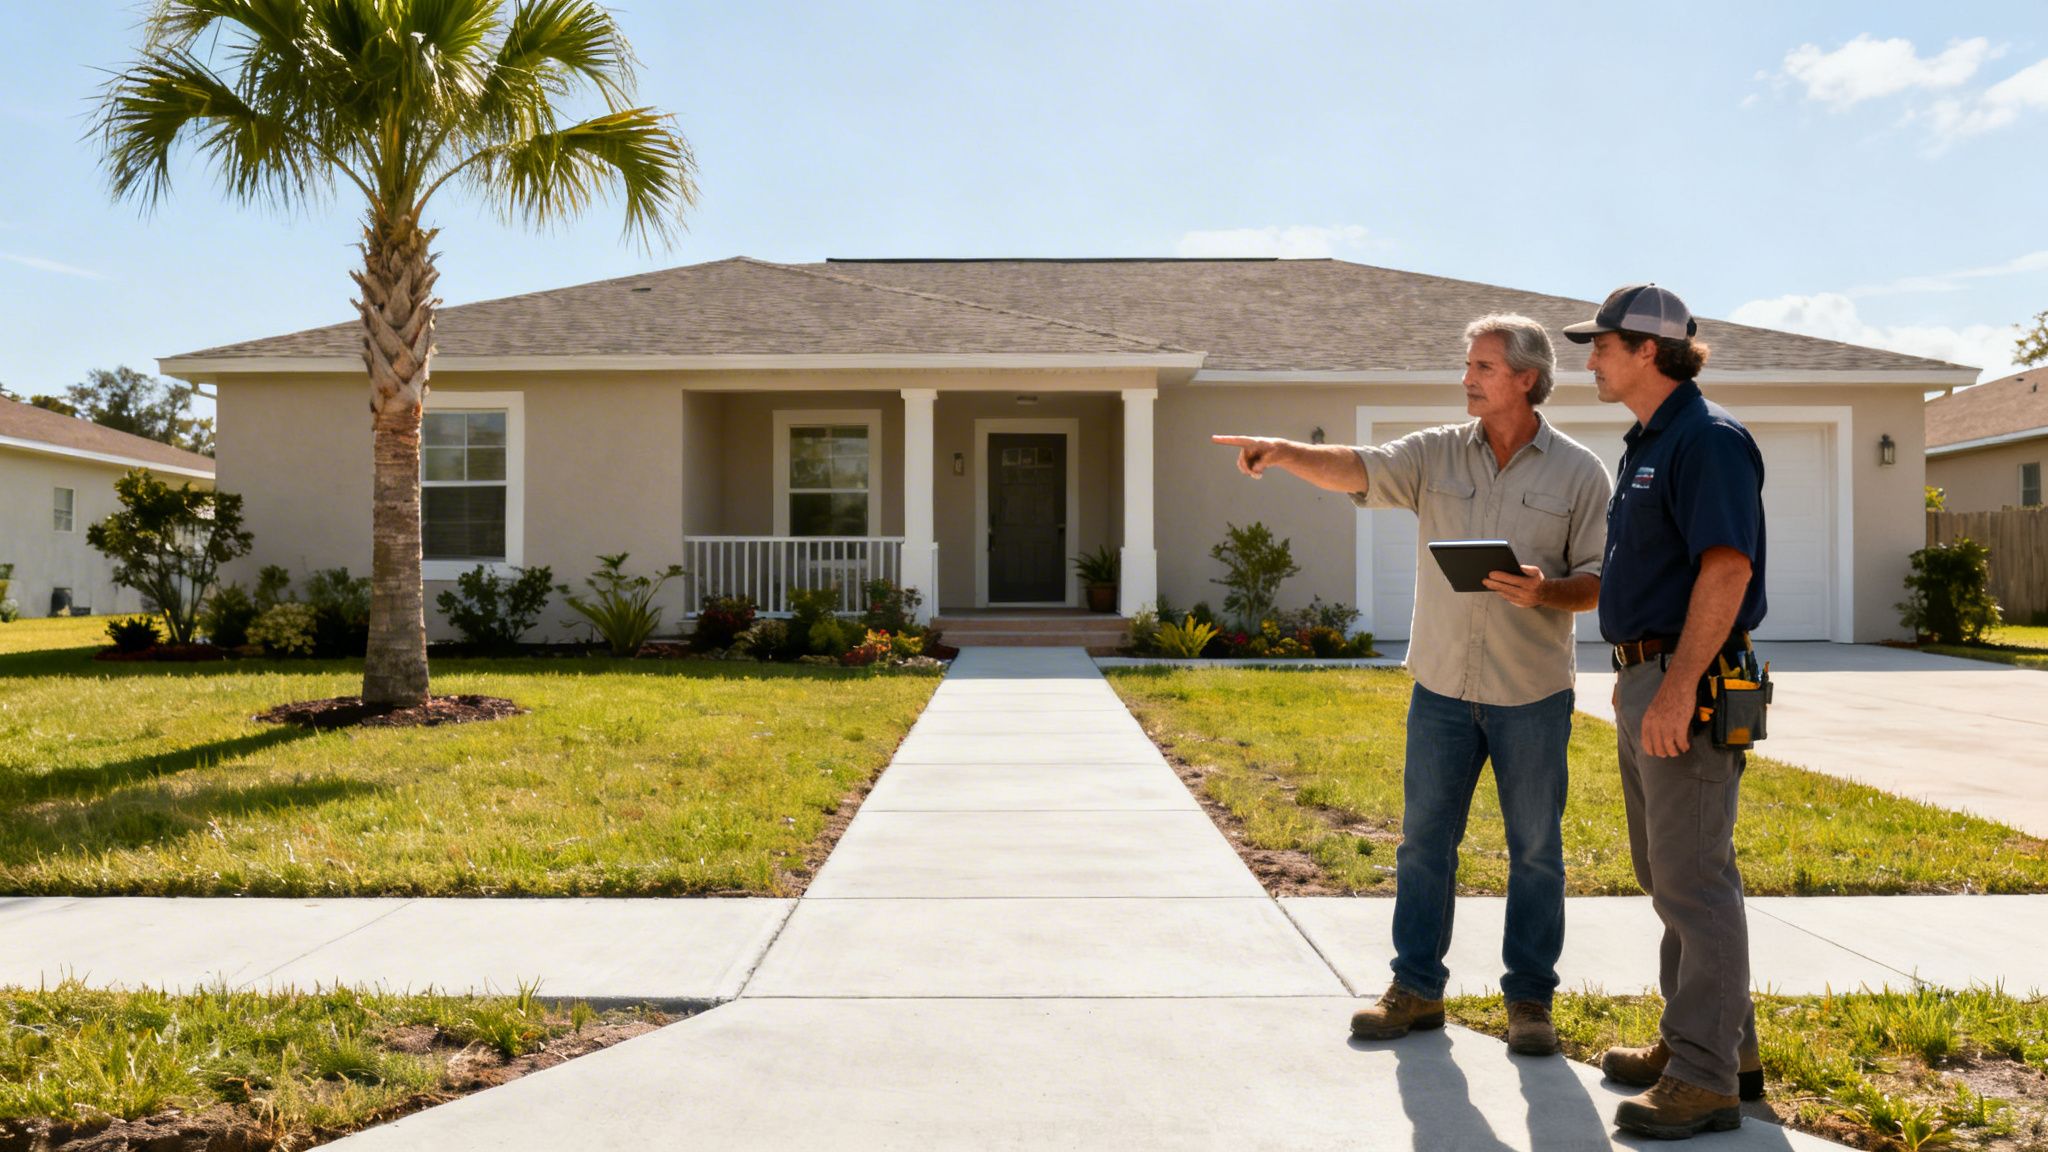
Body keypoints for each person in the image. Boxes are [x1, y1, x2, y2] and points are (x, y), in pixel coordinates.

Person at [1213, 313, 1610, 1058]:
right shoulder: (1433, 454)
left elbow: (1598, 582)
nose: (1468, 378)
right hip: (1441, 689)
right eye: (1469, 366)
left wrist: (1543, 592)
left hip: (1533, 693)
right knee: (1424, 844)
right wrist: (1284, 452)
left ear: (1526, 378)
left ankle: (1530, 1002)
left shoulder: (1580, 472)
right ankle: (1416, 989)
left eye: (1484, 368)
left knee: (1535, 852)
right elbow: (1357, 467)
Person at [1566, 283, 1767, 1139]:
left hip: (1693, 679)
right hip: (1651, 674)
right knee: (1669, 873)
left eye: (1602, 344)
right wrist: (1638, 669)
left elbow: (1726, 570)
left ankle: (1704, 1078)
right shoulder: (1650, 441)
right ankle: (1721, 1049)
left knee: (1693, 880)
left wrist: (1677, 684)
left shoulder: (1706, 439)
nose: (1590, 358)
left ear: (1648, 349)